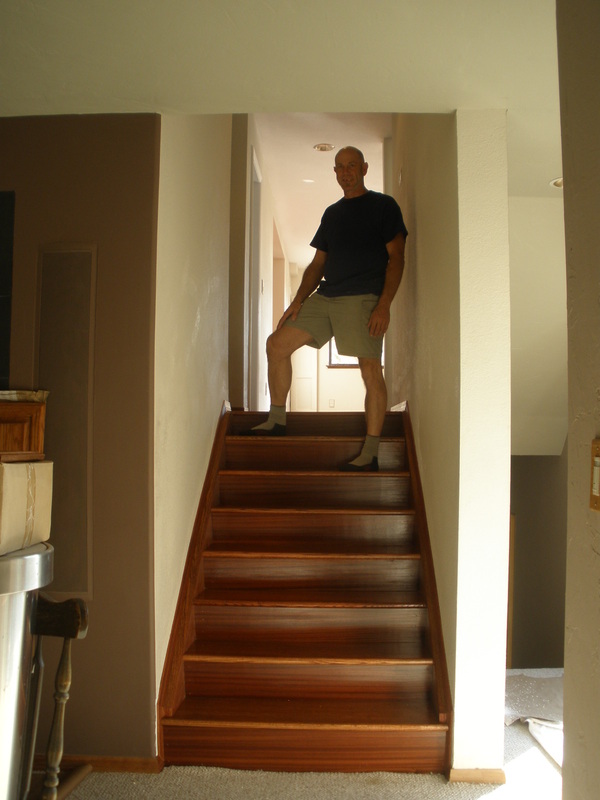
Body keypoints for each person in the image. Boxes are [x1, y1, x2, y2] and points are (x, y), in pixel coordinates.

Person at [247, 145, 408, 472]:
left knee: (369, 369)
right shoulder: (332, 214)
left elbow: (397, 258)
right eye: (339, 167)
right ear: (335, 173)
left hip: (363, 297)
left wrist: (384, 306)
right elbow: (318, 263)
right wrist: (298, 301)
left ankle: (372, 452)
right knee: (276, 344)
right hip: (326, 296)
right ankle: (277, 420)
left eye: (351, 166)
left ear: (364, 168)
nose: (345, 172)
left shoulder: (383, 206)